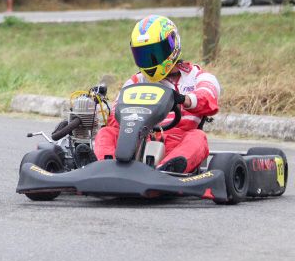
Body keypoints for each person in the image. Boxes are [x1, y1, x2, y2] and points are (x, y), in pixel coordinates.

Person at [93, 15, 221, 173]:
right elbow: (115, 115)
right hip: (139, 140)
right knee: (106, 132)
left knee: (198, 137)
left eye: (155, 53)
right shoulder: (137, 81)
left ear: (172, 45)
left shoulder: (197, 76)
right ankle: (108, 170)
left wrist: (183, 99)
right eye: (143, 55)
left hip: (178, 141)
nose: (150, 61)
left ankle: (166, 170)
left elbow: (208, 98)